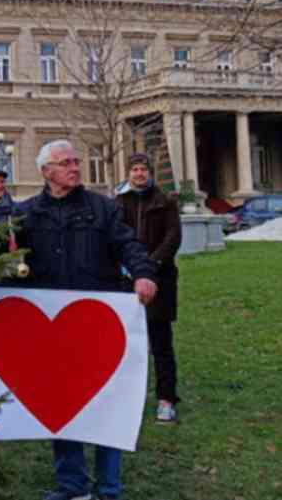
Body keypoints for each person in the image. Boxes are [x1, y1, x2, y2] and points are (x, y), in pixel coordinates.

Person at [16, 140, 158, 500]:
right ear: (46, 172)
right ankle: (72, 484)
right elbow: (6, 261)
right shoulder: (27, 214)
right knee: (62, 405)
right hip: (51, 329)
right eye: (65, 163)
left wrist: (143, 273)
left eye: (76, 161)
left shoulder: (102, 208)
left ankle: (109, 488)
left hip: (99, 322)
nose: (75, 168)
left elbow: (129, 245)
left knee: (107, 404)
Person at [115, 153, 182, 424]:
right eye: (135, 169)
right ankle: (129, 397)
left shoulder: (165, 202)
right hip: (126, 280)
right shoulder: (119, 202)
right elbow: (116, 236)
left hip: (160, 281)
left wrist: (149, 265)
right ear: (129, 173)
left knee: (161, 345)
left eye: (143, 169)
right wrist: (126, 266)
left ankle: (166, 399)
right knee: (129, 344)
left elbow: (173, 237)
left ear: (150, 173)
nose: (139, 174)